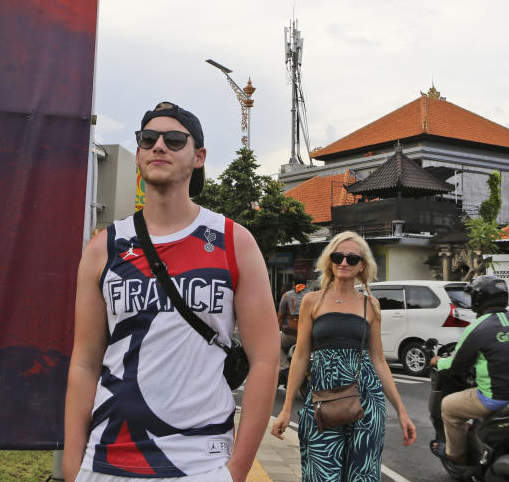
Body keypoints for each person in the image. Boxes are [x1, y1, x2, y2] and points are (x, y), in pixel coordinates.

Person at [63, 101, 279, 482]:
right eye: (148, 139)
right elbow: (84, 362)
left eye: (174, 139)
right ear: (139, 154)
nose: (159, 146)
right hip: (108, 458)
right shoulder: (104, 247)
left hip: (200, 460)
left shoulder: (233, 241)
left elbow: (265, 360)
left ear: (198, 156)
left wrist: (237, 470)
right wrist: (72, 467)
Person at [270, 231, 416, 480]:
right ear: (329, 261)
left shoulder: (371, 305)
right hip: (321, 399)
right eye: (338, 256)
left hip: (366, 400)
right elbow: (302, 355)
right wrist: (285, 409)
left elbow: (379, 361)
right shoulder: (312, 302)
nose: (344, 262)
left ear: (362, 266)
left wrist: (401, 411)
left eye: (351, 258)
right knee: (320, 474)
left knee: (362, 475)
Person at [429, 275, 509, 465]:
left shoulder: (478, 328)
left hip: (496, 397)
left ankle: (457, 455)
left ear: (477, 300)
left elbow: (456, 366)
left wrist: (437, 361)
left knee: (448, 406)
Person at [277, 284, 306, 371]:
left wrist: (278, 329)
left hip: (292, 335)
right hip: (306, 335)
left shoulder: (286, 297)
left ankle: (285, 367)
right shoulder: (310, 296)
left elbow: (280, 317)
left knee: (275, 344)